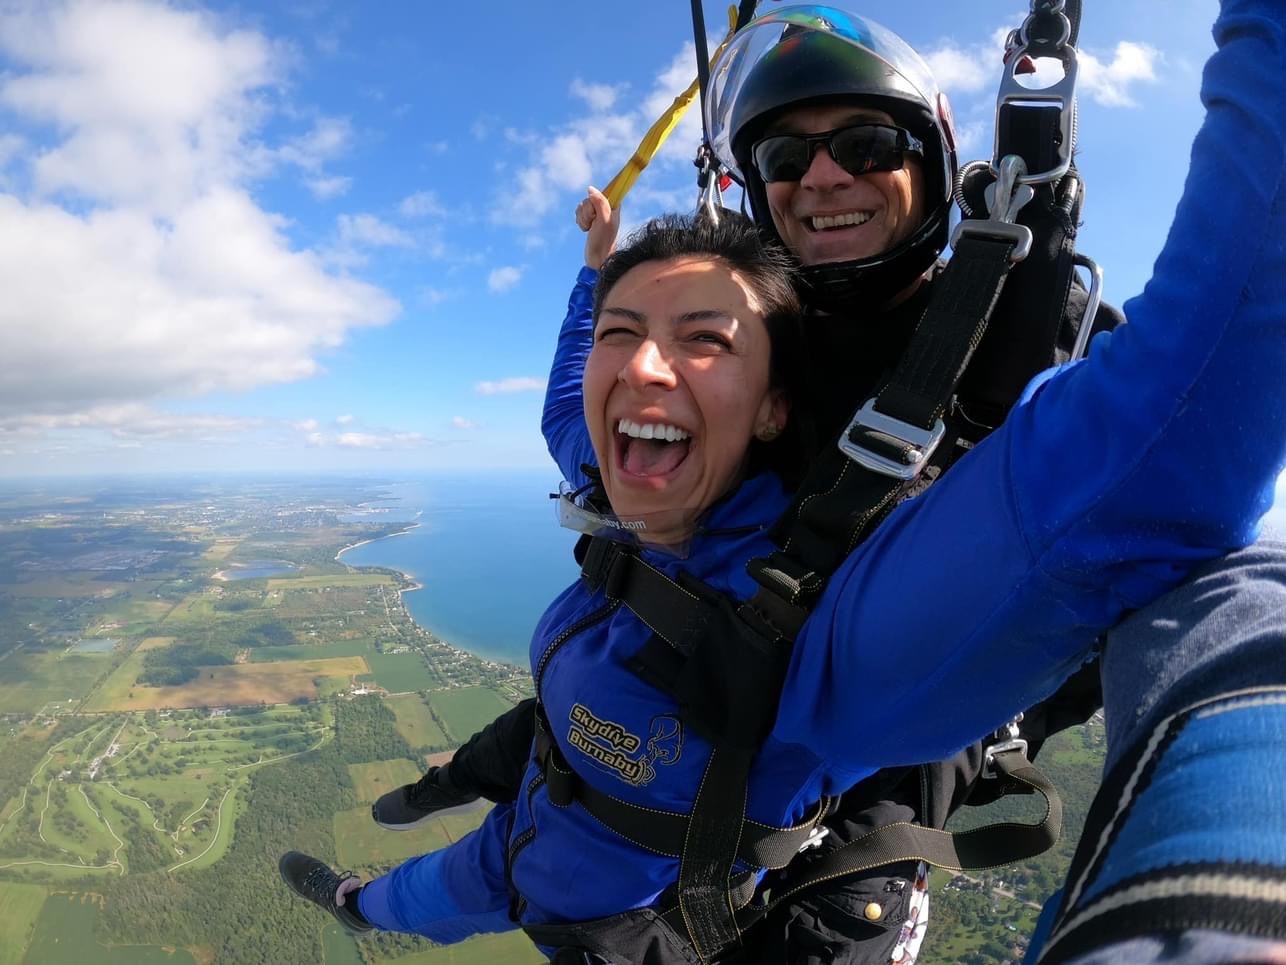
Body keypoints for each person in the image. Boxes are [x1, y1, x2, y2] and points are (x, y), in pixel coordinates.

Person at [278, 15, 1286, 951]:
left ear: (768, 402)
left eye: (867, 144)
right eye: (784, 158)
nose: (823, 175)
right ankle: (362, 897)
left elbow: (1180, 413)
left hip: (654, 870)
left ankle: (372, 898)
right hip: (574, 747)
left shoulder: (842, 639)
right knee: (440, 878)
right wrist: (597, 277)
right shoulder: (655, 447)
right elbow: (570, 399)